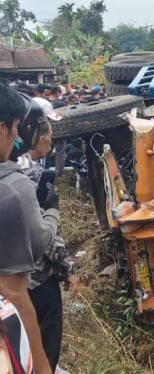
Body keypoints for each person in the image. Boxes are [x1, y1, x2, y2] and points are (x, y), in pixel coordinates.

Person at [17, 99, 80, 371]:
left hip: (11, 280)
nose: (52, 141)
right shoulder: (36, 176)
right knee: (46, 345)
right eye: (49, 134)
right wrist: (68, 268)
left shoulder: (9, 171)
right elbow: (47, 236)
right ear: (37, 137)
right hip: (38, 280)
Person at [0, 82, 58, 374]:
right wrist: (52, 212)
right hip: (21, 297)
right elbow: (38, 244)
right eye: (14, 127)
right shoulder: (13, 188)